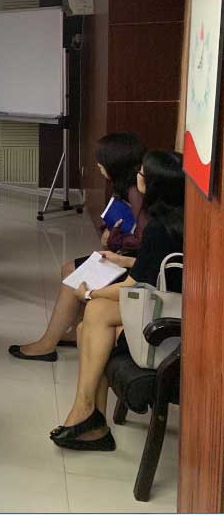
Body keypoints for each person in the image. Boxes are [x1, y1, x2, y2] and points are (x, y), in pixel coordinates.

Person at [50, 150, 184, 452]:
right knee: (89, 323)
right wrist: (125, 260)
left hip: (166, 320)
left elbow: (133, 287)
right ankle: (89, 417)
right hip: (169, 301)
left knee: (94, 312)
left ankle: (86, 414)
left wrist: (88, 293)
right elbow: (155, 267)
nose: (138, 176)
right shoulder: (177, 219)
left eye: (142, 173)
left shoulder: (158, 228)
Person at [9, 132, 148, 361]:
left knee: (74, 274)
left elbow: (143, 238)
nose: (98, 165)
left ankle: (47, 345)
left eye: (101, 160)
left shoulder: (135, 191)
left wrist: (115, 238)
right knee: (69, 269)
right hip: (128, 254)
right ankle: (73, 331)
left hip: (136, 264)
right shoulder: (126, 184)